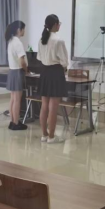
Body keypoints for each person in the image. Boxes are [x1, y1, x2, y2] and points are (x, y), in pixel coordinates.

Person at [38, 14, 69, 144]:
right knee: (53, 107)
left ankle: (44, 135)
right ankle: (51, 136)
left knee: (44, 105)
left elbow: (39, 57)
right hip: (56, 72)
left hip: (44, 72)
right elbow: (64, 62)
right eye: (59, 23)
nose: (59, 26)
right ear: (55, 24)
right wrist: (65, 69)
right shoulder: (58, 40)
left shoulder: (41, 39)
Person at [5, 20, 28, 131]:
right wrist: (26, 70)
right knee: (17, 100)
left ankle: (12, 122)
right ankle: (16, 122)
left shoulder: (11, 41)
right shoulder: (18, 42)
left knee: (13, 99)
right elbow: (22, 61)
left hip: (12, 71)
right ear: (19, 30)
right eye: (23, 29)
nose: (24, 31)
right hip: (18, 72)